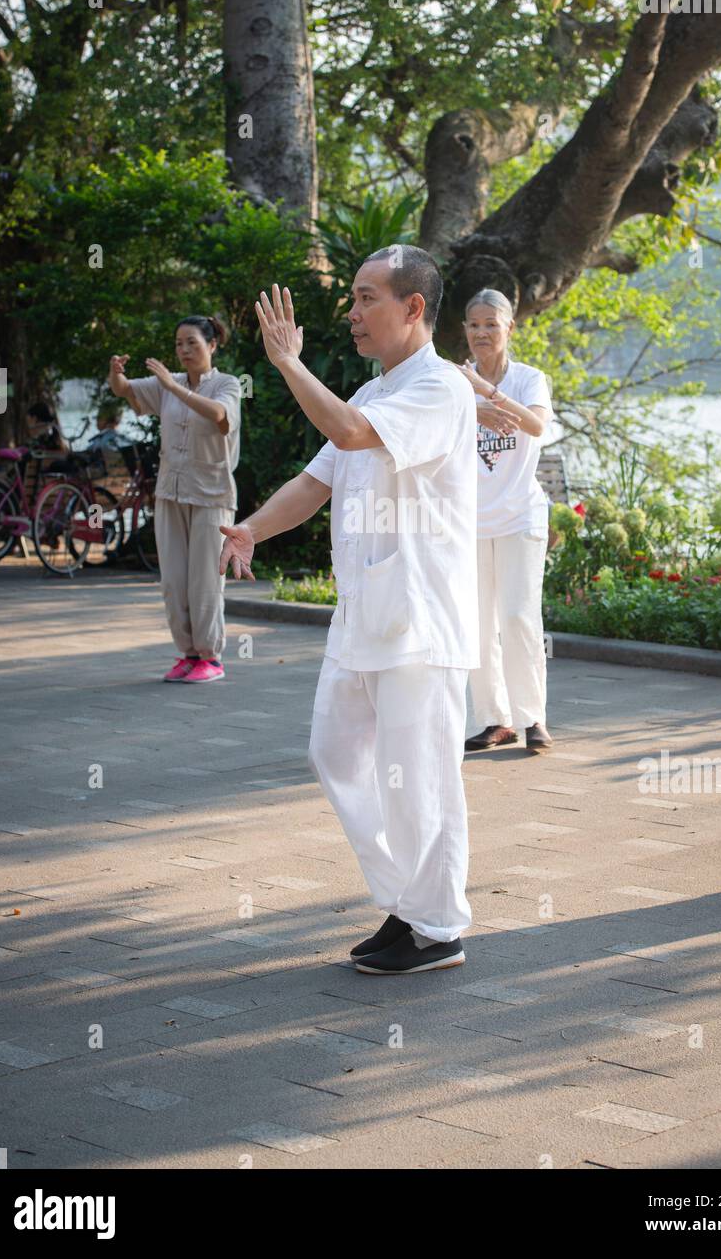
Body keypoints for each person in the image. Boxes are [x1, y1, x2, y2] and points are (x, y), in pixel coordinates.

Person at [218, 253, 479, 975]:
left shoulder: (440, 388)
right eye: (354, 299)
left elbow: (353, 435)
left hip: (420, 620)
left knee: (419, 774)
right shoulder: (372, 391)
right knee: (335, 753)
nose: (354, 313)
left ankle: (438, 928)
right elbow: (315, 480)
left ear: (414, 308)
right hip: (364, 613)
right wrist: (250, 530)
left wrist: (288, 365)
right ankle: (410, 902)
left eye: (367, 299)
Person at [108, 315, 241, 682]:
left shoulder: (227, 385)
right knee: (174, 580)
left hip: (212, 496)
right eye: (179, 344)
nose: (183, 351)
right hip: (171, 492)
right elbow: (126, 391)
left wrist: (172, 385)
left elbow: (219, 415)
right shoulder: (167, 383)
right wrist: (116, 374)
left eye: (192, 343)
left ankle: (211, 659)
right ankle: (188, 653)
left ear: (212, 345)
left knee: (205, 582)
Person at [458, 288, 555, 753]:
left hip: (520, 517)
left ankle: (532, 717)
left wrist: (487, 393)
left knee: (517, 617)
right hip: (469, 523)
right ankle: (496, 720)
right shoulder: (453, 380)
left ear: (509, 328)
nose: (481, 332)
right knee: (476, 624)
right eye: (474, 325)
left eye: (491, 324)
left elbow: (536, 426)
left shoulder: (530, 379)